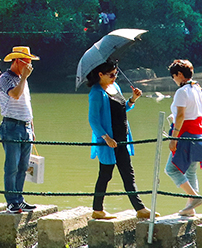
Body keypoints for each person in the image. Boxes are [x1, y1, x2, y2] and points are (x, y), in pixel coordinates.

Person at [87, 59, 151, 219]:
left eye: (116, 74)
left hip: (122, 139)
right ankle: (97, 210)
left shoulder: (114, 87)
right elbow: (93, 120)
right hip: (108, 142)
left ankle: (140, 209)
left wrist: (133, 99)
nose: (114, 77)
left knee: (128, 173)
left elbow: (123, 108)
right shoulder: (96, 93)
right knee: (105, 175)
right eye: (111, 75)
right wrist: (106, 137)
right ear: (100, 74)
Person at [0, 45, 39, 213]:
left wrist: (32, 127)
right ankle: (11, 201)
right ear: (17, 61)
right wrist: (23, 79)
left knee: (23, 166)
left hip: (25, 126)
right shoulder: (5, 78)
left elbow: (27, 104)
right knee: (12, 166)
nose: (29, 67)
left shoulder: (24, 79)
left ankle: (19, 199)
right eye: (26, 63)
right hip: (11, 126)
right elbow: (15, 94)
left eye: (30, 63)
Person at [165, 59, 202, 217]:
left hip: (185, 134)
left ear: (179, 74)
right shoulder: (197, 88)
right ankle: (190, 208)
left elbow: (181, 116)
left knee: (171, 169)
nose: (174, 80)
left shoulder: (182, 91)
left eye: (174, 76)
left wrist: (173, 138)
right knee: (191, 171)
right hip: (197, 133)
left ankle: (194, 198)